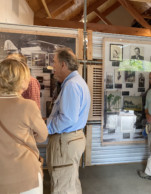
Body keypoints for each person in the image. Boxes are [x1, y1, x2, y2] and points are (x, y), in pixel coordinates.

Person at [46, 48, 91, 193]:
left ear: (63, 65)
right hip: (69, 140)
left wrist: (46, 127)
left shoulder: (71, 84)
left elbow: (68, 119)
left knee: (62, 186)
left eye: (54, 62)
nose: (53, 67)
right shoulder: (75, 82)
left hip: (65, 142)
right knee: (69, 181)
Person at [0, 58, 48, 194]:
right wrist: (29, 138)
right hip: (26, 174)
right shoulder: (28, 106)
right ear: (20, 80)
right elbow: (43, 135)